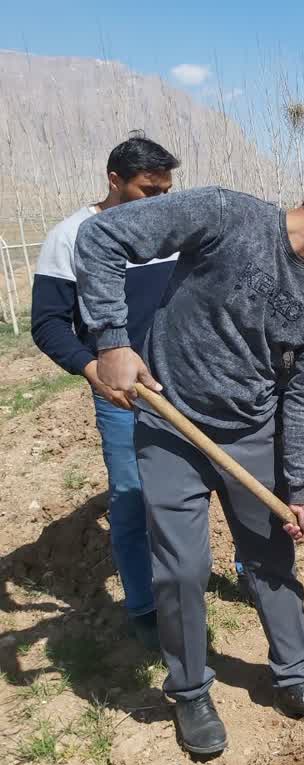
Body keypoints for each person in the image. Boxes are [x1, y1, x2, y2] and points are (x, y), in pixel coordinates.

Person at [74, 167, 304, 755]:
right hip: (169, 422)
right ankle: (190, 692)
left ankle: (295, 679)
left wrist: (303, 486)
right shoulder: (228, 216)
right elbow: (101, 240)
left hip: (252, 435)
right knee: (181, 571)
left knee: (274, 560)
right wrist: (112, 341)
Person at [31, 135, 180, 651]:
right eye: (149, 190)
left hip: (185, 386)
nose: (160, 201)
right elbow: (48, 324)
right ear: (114, 180)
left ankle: (246, 571)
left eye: (167, 190)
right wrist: (93, 370)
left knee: (217, 481)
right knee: (131, 496)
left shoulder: (172, 232)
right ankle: (142, 603)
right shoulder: (70, 236)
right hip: (121, 396)